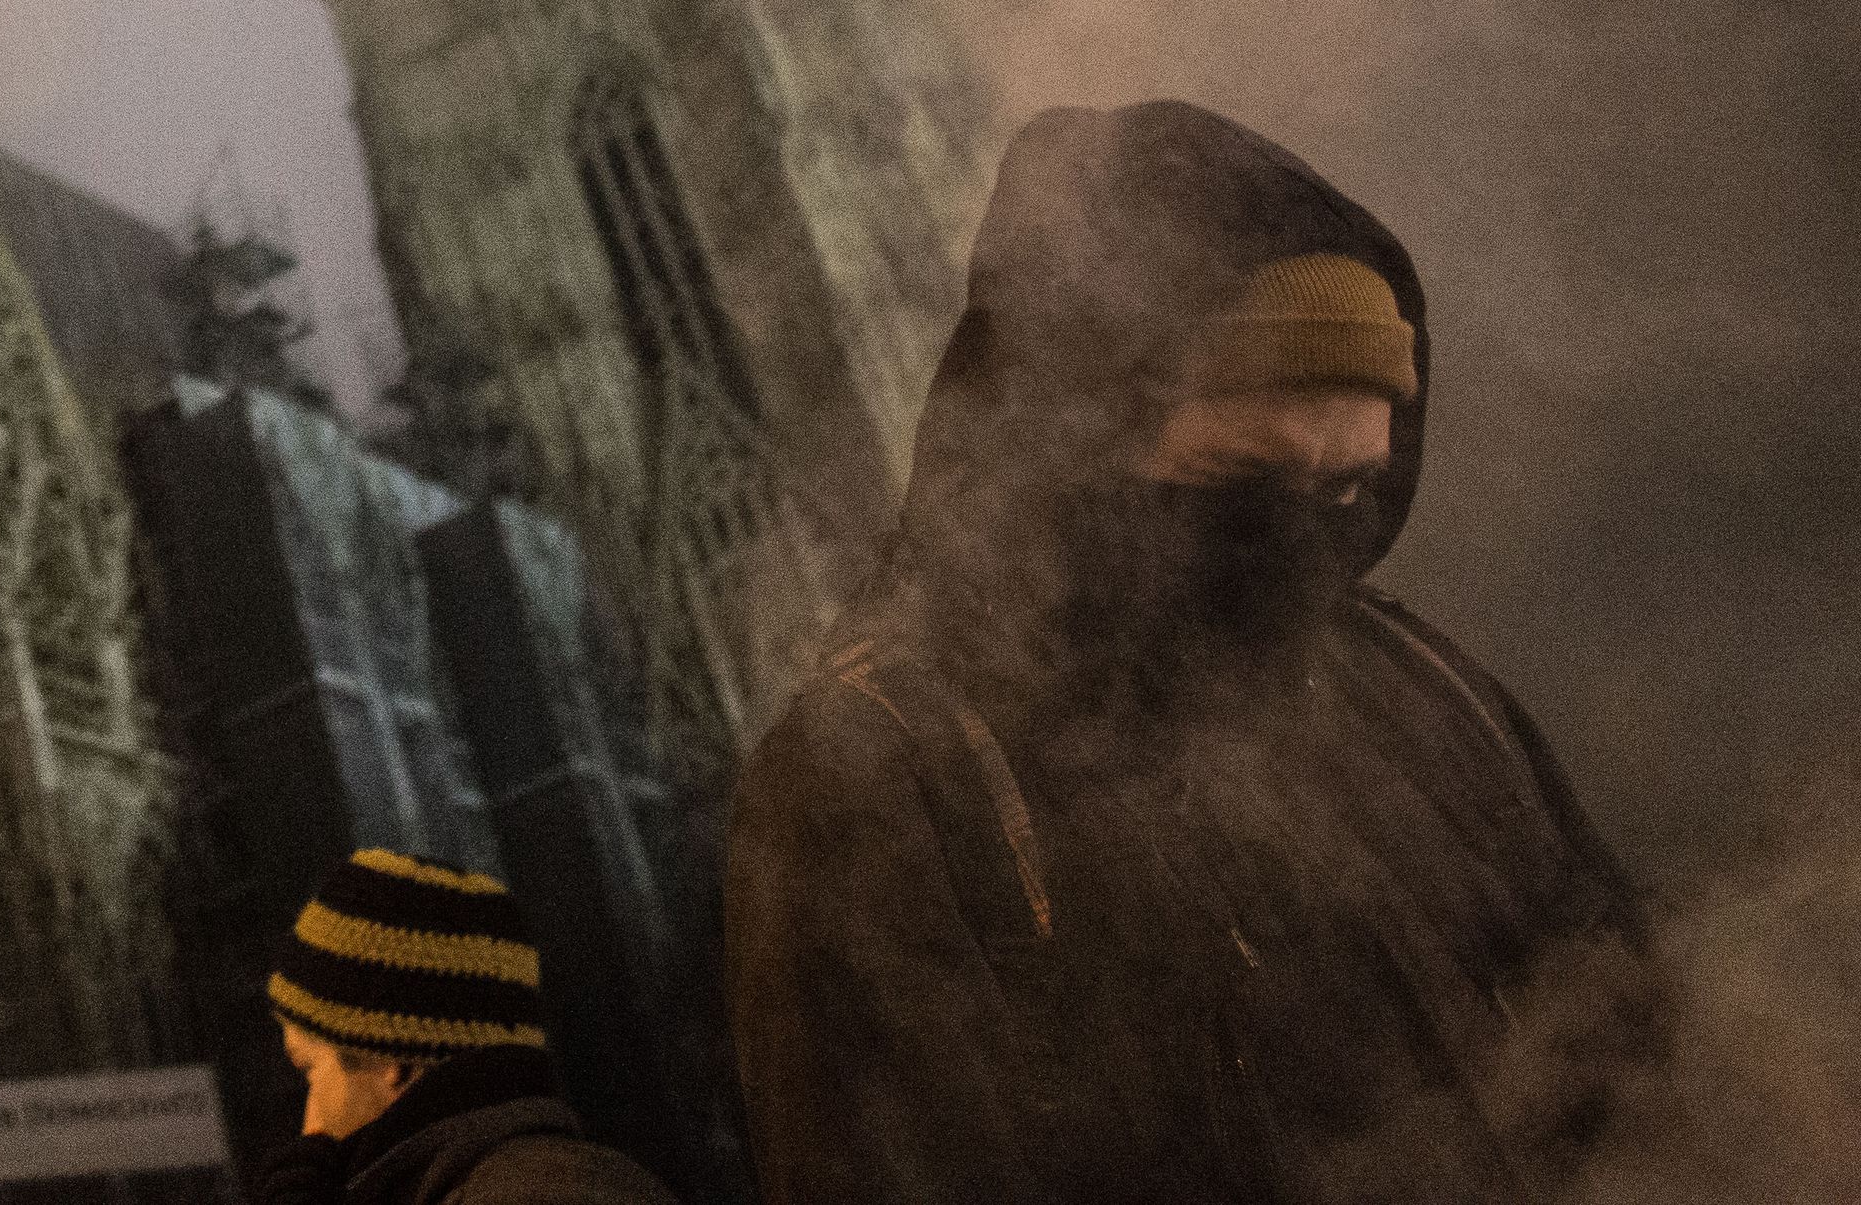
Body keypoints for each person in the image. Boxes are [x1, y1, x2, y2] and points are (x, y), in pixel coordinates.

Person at [723, 101, 1664, 1205]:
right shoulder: (885, 792)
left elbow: (1648, 1077)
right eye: (1241, 489)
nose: (1300, 549)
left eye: (1348, 490)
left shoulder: (1426, 692)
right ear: (1065, 446)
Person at [257, 849, 680, 1205]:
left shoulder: (536, 1195)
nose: (309, 1124)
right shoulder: (542, 1179)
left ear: (392, 1061)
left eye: (309, 1068)